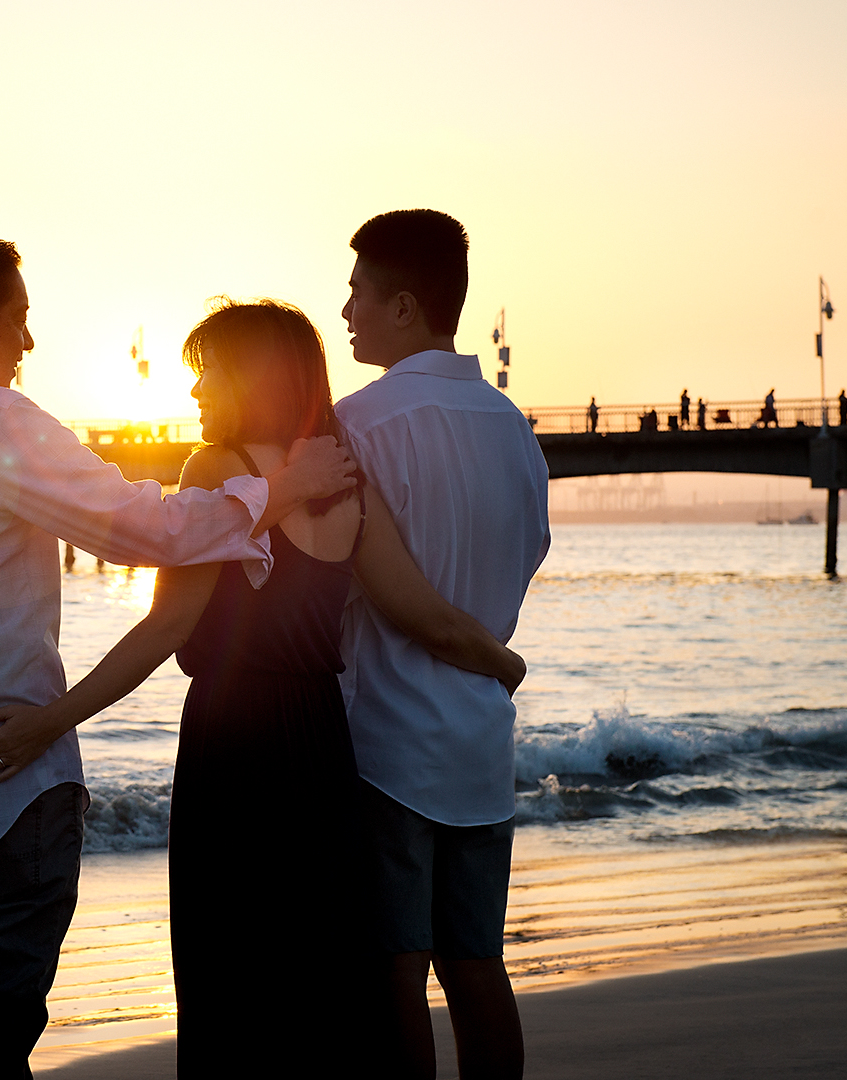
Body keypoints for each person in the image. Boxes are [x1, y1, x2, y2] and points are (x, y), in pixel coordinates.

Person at [0, 234, 357, 1080]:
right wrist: (279, 489)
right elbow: (149, 530)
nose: (29, 341)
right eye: (18, 319)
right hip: (9, 790)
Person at [0, 300, 525, 1076]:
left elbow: (165, 629)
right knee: (314, 976)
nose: (195, 389)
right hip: (323, 748)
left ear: (252, 376)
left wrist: (49, 721)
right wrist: (504, 665)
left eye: (209, 371)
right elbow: (422, 613)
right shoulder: (344, 479)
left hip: (235, 742)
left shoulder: (218, 470)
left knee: (230, 970)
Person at [335, 210, 550, 1080]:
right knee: (476, 964)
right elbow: (531, 551)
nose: (345, 309)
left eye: (358, 291)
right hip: (481, 737)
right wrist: (492, 653)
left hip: (388, 739)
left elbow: (379, 591)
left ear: (404, 306)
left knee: (395, 970)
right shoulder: (513, 427)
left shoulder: (356, 423)